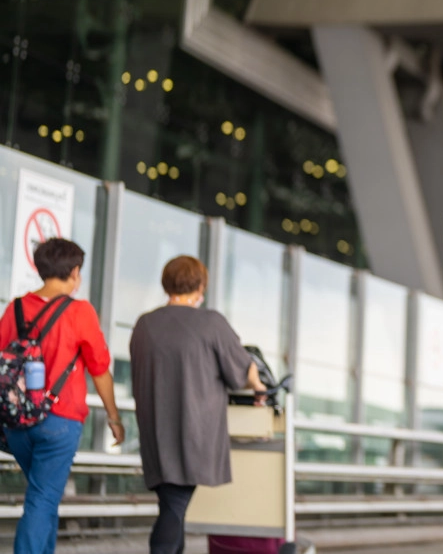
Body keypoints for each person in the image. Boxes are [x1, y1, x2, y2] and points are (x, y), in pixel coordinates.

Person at [129, 255, 268, 554]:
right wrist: (258, 386)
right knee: (175, 505)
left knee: (172, 503)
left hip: (154, 429)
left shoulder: (144, 324)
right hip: (194, 431)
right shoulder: (210, 322)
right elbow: (242, 372)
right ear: (200, 285)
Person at [0, 237, 124, 554]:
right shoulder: (79, 312)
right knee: (42, 499)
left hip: (16, 425)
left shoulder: (13, 309)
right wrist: (113, 416)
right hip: (59, 421)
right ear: (74, 272)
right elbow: (100, 369)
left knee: (46, 497)